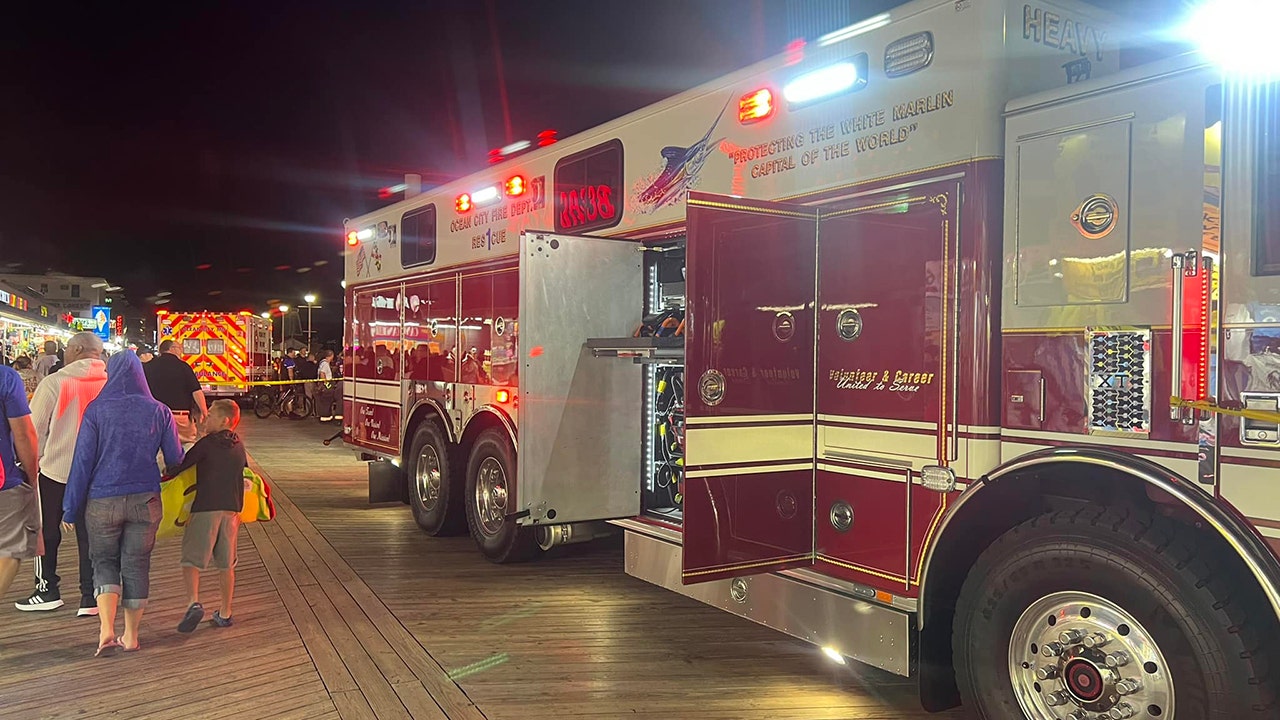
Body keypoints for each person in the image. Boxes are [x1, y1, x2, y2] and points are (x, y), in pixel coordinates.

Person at [64, 350, 183, 656]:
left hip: (101, 500)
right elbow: (175, 460)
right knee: (136, 565)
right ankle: (131, 636)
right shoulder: (159, 410)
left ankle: (106, 630)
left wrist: (70, 506)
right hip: (145, 500)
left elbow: (82, 463)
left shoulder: (96, 411)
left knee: (103, 562)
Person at [16, 332, 107, 616]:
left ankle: (47, 589)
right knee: (89, 532)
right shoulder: (110, 383)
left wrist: (32, 465)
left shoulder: (55, 382)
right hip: (97, 472)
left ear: (77, 349)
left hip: (57, 470)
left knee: (46, 529)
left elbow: (33, 430)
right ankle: (91, 595)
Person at [164, 400, 246, 632]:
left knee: (191, 560)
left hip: (205, 508)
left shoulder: (206, 444)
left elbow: (178, 466)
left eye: (210, 415)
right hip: (232, 511)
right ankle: (225, 612)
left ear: (224, 421)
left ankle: (193, 602)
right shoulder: (239, 445)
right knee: (226, 564)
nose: (204, 419)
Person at [0, 363, 40, 603]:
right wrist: (32, 476)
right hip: (5, 482)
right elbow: (24, 433)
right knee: (10, 547)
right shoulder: (5, 377)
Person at [144, 340, 207, 447]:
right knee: (186, 447)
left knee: (155, 448)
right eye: (179, 348)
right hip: (179, 419)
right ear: (171, 349)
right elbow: (196, 391)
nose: (181, 351)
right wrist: (204, 411)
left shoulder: (147, 367)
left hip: (154, 417)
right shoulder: (183, 367)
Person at [317, 350, 337, 422]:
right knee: (327, 401)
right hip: (326, 385)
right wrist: (327, 384)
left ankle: (325, 416)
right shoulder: (325, 364)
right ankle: (325, 417)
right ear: (331, 355)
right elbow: (322, 374)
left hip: (324, 384)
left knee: (325, 401)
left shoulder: (323, 362)